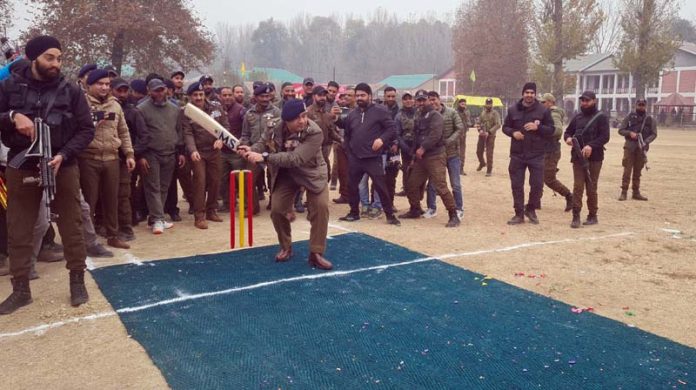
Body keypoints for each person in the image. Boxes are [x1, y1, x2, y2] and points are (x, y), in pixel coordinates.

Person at [0, 36, 95, 313]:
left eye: (59, 58)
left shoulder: (71, 91)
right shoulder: (7, 87)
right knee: (19, 229)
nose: (56, 63)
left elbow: (86, 129)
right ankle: (21, 290)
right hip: (22, 164)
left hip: (61, 164)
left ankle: (77, 281)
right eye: (49, 58)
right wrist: (12, 116)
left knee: (72, 225)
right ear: (33, 58)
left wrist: (64, 154)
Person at [238, 99, 333, 270]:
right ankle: (286, 247)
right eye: (297, 118)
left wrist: (264, 157)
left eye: (304, 116)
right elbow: (262, 143)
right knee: (277, 210)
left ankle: (316, 253)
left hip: (312, 173)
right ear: (286, 121)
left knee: (321, 208)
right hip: (286, 174)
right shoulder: (274, 126)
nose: (303, 121)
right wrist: (250, 149)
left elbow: (296, 158)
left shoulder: (315, 131)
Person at [80, 69, 135, 249]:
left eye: (107, 84)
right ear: (90, 85)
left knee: (113, 199)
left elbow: (123, 131)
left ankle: (113, 235)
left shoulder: (115, 105)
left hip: (112, 158)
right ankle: (86, 240)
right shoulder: (81, 103)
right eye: (100, 84)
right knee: (89, 202)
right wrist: (93, 125)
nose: (104, 87)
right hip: (90, 158)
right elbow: (76, 130)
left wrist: (129, 154)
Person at [338, 83, 400, 226]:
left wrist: (382, 139)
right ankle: (354, 213)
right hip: (355, 157)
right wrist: (348, 147)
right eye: (357, 95)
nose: (360, 98)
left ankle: (390, 215)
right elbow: (347, 131)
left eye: (363, 95)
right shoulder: (353, 114)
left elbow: (392, 128)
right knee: (352, 186)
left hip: (373, 157)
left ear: (370, 96)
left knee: (381, 186)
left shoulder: (380, 111)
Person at [399, 90, 460, 227]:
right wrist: (414, 155)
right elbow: (416, 137)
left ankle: (453, 214)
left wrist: (423, 148)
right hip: (421, 158)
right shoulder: (418, 115)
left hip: (435, 155)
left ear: (428, 100)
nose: (421, 103)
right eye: (418, 100)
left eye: (423, 100)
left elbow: (435, 135)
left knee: (440, 186)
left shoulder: (435, 115)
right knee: (411, 184)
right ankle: (415, 209)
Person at [136, 78, 186, 234]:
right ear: (149, 91)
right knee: (153, 187)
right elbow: (139, 135)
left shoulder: (175, 109)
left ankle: (156, 218)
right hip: (151, 153)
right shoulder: (141, 109)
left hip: (170, 153)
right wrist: (141, 155)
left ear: (166, 90)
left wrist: (181, 152)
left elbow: (179, 131)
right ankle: (158, 219)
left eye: (162, 89)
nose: (159, 93)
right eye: (156, 90)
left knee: (164, 187)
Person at [502, 82, 555, 225]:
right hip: (517, 154)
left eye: (532, 93)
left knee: (537, 185)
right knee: (517, 185)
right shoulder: (513, 110)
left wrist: (537, 127)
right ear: (523, 94)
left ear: (535, 94)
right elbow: (505, 127)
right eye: (527, 92)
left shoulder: (543, 110)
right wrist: (513, 133)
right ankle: (518, 214)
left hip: (536, 154)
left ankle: (530, 209)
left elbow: (551, 129)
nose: (529, 95)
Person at [183, 82, 228, 229]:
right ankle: (199, 215)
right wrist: (192, 150)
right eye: (195, 95)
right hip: (198, 152)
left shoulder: (216, 107)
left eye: (201, 94)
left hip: (214, 151)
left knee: (215, 181)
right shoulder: (187, 111)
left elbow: (225, 126)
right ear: (190, 96)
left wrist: (221, 139)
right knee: (200, 182)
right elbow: (187, 133)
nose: (198, 97)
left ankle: (211, 210)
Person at [563, 91, 610, 228]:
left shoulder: (601, 117)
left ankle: (592, 215)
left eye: (587, 101)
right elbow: (567, 132)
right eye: (582, 100)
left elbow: (605, 137)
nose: (584, 103)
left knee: (591, 186)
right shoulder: (577, 117)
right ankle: (576, 215)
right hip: (578, 157)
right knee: (578, 186)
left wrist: (591, 146)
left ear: (594, 101)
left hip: (595, 158)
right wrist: (568, 139)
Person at [240, 82, 281, 214]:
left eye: (267, 96)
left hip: (272, 151)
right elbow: (245, 134)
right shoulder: (249, 114)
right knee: (248, 179)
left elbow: (280, 133)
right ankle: (252, 207)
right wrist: (246, 147)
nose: (265, 99)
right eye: (262, 96)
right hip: (254, 150)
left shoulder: (276, 112)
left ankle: (275, 203)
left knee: (274, 179)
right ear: (256, 97)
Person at [423, 91, 464, 219]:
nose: (432, 102)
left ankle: (458, 208)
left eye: (434, 99)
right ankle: (431, 208)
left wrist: (449, 141)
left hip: (452, 154)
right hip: (435, 155)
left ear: (439, 99)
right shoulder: (427, 115)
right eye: (429, 100)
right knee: (433, 183)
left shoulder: (451, 112)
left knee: (455, 183)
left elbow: (460, 128)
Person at [618, 98, 657, 201]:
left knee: (637, 171)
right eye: (639, 105)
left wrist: (646, 141)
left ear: (646, 106)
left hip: (642, 147)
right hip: (630, 146)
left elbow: (654, 133)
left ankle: (636, 192)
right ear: (636, 105)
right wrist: (630, 133)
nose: (641, 106)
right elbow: (621, 130)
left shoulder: (650, 119)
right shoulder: (629, 117)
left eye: (643, 105)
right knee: (627, 170)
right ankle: (624, 192)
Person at [540, 93, 573, 211]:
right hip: (544, 149)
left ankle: (569, 196)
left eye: (543, 102)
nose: (541, 104)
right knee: (538, 176)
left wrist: (542, 131)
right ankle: (535, 201)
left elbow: (558, 131)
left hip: (551, 150)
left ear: (550, 102)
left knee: (549, 179)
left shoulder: (554, 114)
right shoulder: (545, 113)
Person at [218, 85, 247, 212]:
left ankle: (246, 205)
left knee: (241, 180)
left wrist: (242, 142)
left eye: (230, 95)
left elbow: (247, 129)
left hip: (236, 152)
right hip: (222, 152)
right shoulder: (216, 110)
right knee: (223, 180)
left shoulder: (241, 110)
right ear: (220, 96)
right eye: (224, 95)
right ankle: (228, 204)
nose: (227, 97)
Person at [475, 98, 501, 177]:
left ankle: (489, 170)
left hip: (491, 136)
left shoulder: (495, 113)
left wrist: (489, 132)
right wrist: (480, 130)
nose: (488, 105)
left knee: (489, 153)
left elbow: (498, 124)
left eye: (490, 104)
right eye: (487, 103)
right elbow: (478, 122)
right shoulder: (482, 113)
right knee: (479, 151)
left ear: (492, 104)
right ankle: (482, 163)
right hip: (482, 135)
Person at [455, 98, 471, 175]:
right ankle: (456, 169)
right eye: (462, 104)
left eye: (464, 104)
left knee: (462, 153)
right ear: (459, 104)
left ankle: (461, 169)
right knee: (456, 152)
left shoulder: (467, 112)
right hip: (456, 135)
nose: (463, 106)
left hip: (463, 135)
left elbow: (468, 123)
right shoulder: (455, 112)